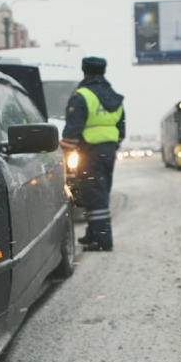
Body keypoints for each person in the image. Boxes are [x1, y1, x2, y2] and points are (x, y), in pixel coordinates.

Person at [61, 56, 125, 252]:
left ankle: (103, 241)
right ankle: (92, 234)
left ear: (85, 72)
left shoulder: (81, 96)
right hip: (108, 151)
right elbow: (121, 131)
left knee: (93, 196)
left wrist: (62, 150)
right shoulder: (114, 97)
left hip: (89, 152)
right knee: (100, 192)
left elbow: (73, 132)